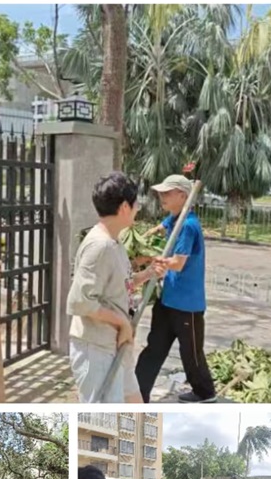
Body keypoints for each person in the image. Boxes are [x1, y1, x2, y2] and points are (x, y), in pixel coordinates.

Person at [68, 172, 167, 403]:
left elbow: (120, 285)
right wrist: (122, 323)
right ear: (124, 206)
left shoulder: (114, 242)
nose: (137, 209)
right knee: (103, 420)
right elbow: (80, 302)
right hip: (97, 348)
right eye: (135, 204)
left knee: (135, 406)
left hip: (115, 345)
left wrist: (149, 273)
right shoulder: (99, 246)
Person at [135, 174, 217, 403]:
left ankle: (205, 392)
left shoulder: (189, 226)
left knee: (190, 353)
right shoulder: (174, 219)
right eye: (160, 192)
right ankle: (138, 395)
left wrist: (151, 259)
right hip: (167, 299)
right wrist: (138, 239)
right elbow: (160, 228)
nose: (161, 196)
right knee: (154, 348)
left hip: (187, 304)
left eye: (167, 193)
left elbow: (178, 263)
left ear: (183, 195)